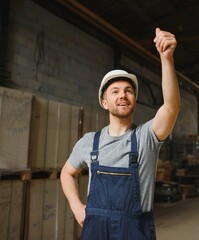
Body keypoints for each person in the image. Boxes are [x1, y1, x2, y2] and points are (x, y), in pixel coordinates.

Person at [60, 27, 180, 240]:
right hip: (96, 229)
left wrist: (166, 59)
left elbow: (171, 107)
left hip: (134, 230)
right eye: (115, 91)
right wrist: (77, 206)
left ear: (134, 99)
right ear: (105, 103)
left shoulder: (146, 138)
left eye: (129, 91)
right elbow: (66, 173)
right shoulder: (89, 142)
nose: (123, 95)